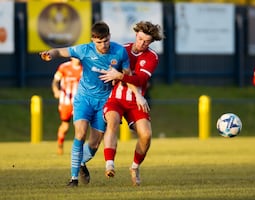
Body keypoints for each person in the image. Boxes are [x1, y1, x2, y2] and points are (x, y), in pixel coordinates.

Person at [40, 21, 130, 187]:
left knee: (94, 144)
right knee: (80, 134)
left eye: (105, 41)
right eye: (99, 42)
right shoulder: (85, 50)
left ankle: (80, 162)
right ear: (92, 40)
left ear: (109, 37)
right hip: (84, 98)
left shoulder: (119, 51)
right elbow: (61, 51)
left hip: (105, 101)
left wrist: (118, 75)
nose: (103, 45)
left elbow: (127, 74)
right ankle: (73, 179)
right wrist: (50, 54)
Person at [99, 21, 164, 186]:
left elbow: (140, 79)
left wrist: (119, 76)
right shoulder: (121, 50)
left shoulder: (152, 57)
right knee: (112, 122)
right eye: (141, 39)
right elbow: (107, 70)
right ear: (136, 34)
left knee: (146, 135)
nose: (142, 43)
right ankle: (109, 164)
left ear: (151, 42)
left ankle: (134, 167)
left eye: (147, 41)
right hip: (116, 99)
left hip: (136, 101)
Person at [52, 58, 82, 155]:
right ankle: (60, 145)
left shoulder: (84, 67)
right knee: (65, 126)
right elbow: (55, 81)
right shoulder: (64, 67)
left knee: (80, 126)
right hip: (66, 102)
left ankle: (78, 150)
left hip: (80, 102)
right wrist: (56, 90)